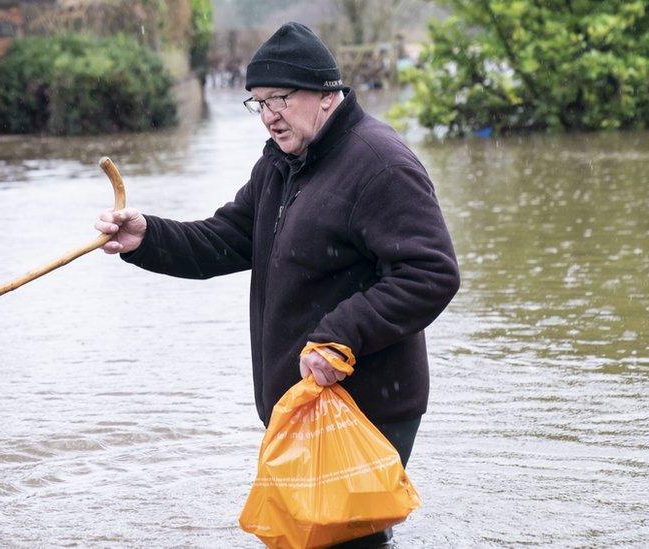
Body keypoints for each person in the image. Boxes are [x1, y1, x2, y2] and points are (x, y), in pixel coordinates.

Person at [95, 22, 460, 548]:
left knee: (338, 542)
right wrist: (146, 237)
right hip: (302, 404)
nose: (268, 116)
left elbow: (431, 273)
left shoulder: (380, 164)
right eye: (259, 102)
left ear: (327, 95)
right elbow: (225, 238)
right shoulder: (282, 164)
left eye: (281, 99)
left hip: (366, 405)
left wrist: (341, 334)